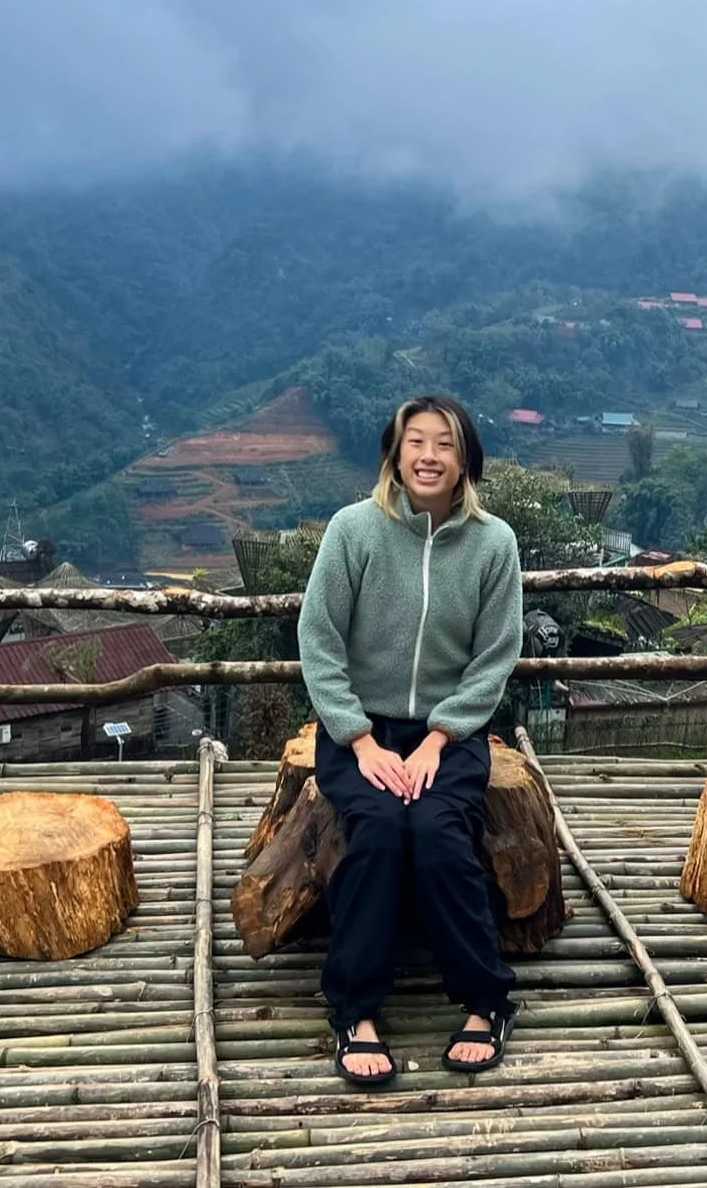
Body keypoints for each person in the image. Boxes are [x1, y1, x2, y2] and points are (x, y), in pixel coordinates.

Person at [298, 394, 522, 1087]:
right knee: (376, 830)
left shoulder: (494, 544)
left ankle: (485, 999)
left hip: (448, 733)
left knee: (437, 831)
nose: (428, 456)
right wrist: (361, 741)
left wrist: (440, 738)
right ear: (395, 454)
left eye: (444, 444)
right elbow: (319, 637)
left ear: (465, 462)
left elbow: (495, 657)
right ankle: (355, 1010)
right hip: (359, 728)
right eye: (414, 442)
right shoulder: (354, 530)